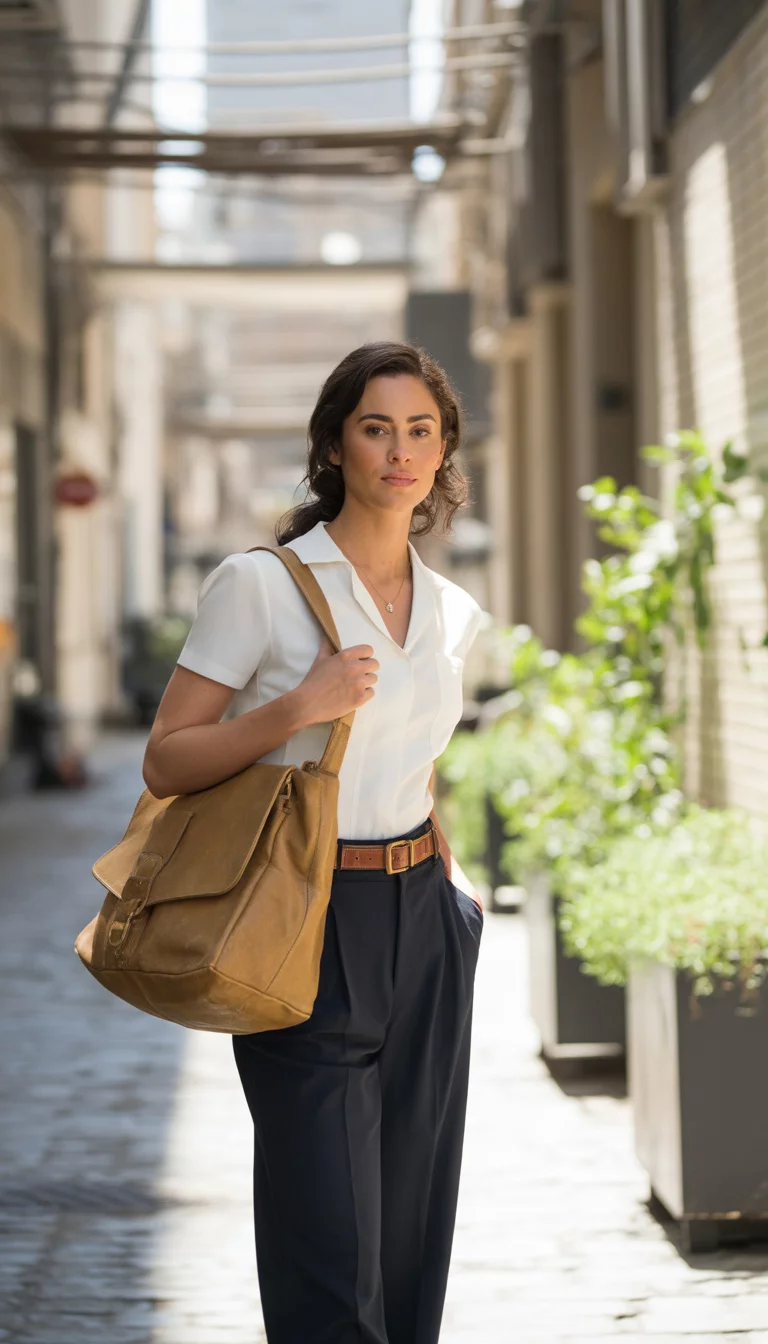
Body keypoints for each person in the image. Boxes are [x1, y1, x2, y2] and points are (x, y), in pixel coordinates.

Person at [142, 341, 486, 1344]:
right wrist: (301, 704)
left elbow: (412, 758)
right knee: (328, 1246)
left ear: (444, 451)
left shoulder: (451, 610)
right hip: (303, 915)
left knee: (411, 1236)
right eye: (376, 428)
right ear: (335, 446)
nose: (400, 450)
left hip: (422, 918)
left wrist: (448, 884)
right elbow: (167, 758)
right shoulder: (262, 585)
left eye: (421, 430)